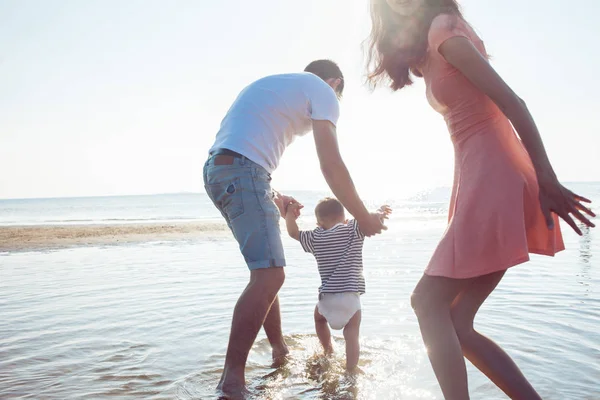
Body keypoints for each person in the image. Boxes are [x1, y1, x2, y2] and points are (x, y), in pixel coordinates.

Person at [365, 1, 595, 399]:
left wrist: (548, 177)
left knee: (425, 302)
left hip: (495, 176)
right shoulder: (428, 49)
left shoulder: (444, 30)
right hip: (479, 175)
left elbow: (512, 103)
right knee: (456, 322)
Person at [203, 59, 387, 398]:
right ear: (334, 83)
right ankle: (231, 383)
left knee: (265, 271)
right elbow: (331, 164)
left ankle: (279, 350)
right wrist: (362, 216)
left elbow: (239, 146)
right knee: (271, 276)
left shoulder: (277, 85)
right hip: (244, 173)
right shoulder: (324, 91)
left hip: (219, 172)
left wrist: (272, 194)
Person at [284, 198, 391, 372]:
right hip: (350, 299)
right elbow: (370, 219)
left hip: (327, 299)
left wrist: (289, 213)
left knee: (319, 319)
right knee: (352, 335)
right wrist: (380, 212)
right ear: (344, 218)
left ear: (319, 223)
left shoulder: (315, 237)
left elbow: (293, 232)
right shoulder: (353, 229)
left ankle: (328, 350)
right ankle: (350, 369)